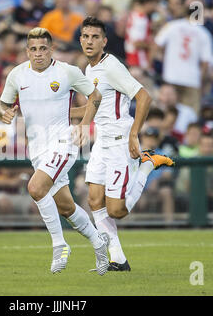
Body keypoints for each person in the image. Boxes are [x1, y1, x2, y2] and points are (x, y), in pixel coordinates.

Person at [0, 27, 110, 275]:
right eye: (33, 49)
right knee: (66, 207)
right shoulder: (17, 75)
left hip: (63, 142)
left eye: (43, 49)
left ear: (52, 50)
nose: (38, 54)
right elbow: (4, 102)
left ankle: (60, 245)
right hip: (37, 149)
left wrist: (83, 126)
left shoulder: (67, 72)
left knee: (36, 188)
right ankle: (99, 241)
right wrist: (4, 111)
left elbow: (95, 96)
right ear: (27, 51)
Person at [74, 17, 175, 271]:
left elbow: (144, 96)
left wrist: (133, 134)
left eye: (95, 37)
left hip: (120, 142)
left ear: (104, 41)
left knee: (116, 210)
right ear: (80, 40)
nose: (89, 41)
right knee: (95, 201)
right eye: (85, 36)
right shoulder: (89, 69)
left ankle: (147, 165)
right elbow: (96, 103)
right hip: (102, 143)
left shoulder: (111, 66)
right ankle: (117, 259)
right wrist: (79, 122)